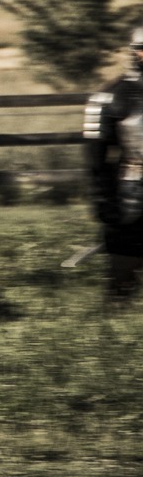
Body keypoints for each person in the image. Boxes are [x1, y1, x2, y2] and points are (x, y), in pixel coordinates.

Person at [85, 25, 143, 302]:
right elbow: (95, 156)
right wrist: (103, 199)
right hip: (132, 194)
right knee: (122, 275)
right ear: (134, 52)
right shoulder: (110, 96)